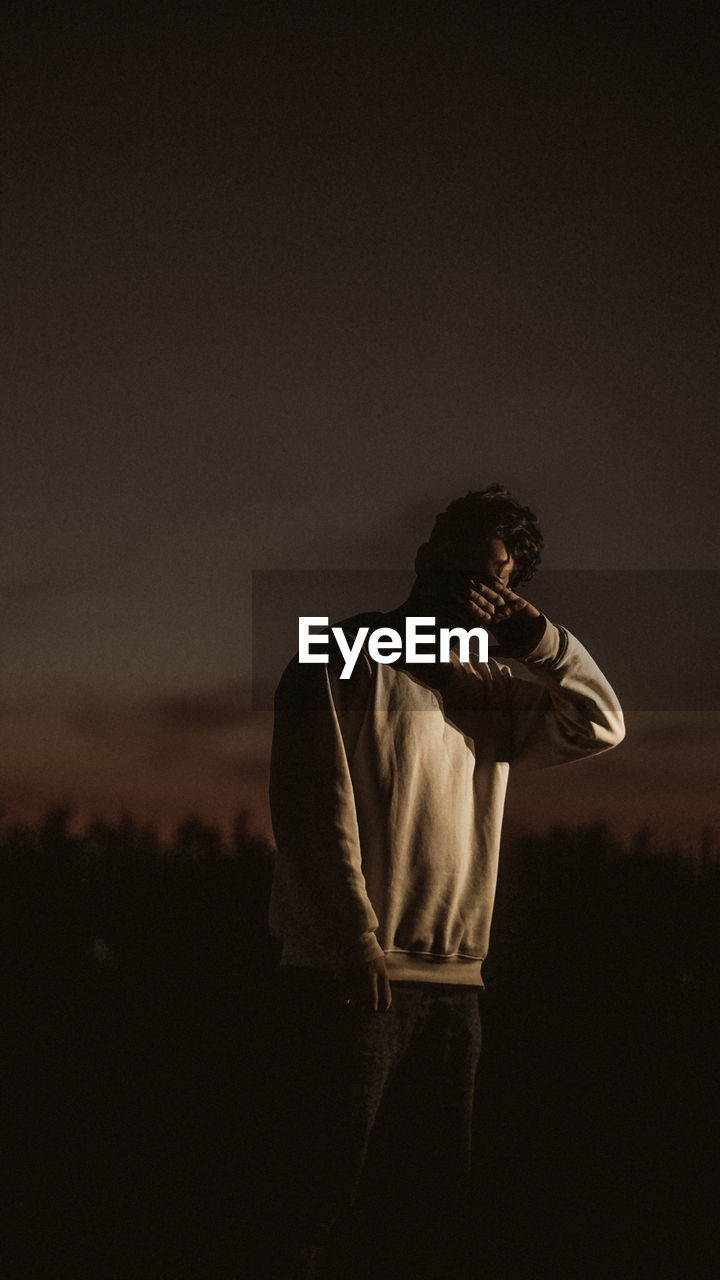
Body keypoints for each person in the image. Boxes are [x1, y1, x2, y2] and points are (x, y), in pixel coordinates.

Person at [266, 484, 625, 1277]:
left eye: (497, 578)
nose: (474, 587)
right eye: (462, 565)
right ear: (427, 561)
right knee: (312, 1209)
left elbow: (600, 721)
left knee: (426, 1214)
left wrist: (537, 639)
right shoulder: (339, 655)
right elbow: (310, 806)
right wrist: (353, 940)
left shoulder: (488, 689)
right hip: (353, 979)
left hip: (457, 989)